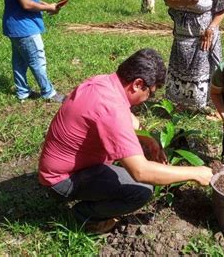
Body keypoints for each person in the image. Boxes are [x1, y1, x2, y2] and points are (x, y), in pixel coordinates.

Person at [38, 48, 213, 233]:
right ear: (138, 84)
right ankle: (82, 217)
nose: (149, 99)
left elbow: (131, 120)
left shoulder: (104, 83)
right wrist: (195, 172)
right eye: (151, 93)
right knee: (142, 190)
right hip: (61, 181)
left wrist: (149, 140)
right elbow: (141, 171)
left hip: (59, 167)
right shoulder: (112, 110)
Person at [2, 0, 65, 103]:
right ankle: (49, 93)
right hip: (24, 27)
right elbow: (26, 4)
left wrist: (49, 5)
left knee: (20, 61)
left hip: (14, 26)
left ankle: (22, 92)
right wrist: (48, 8)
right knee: (37, 60)